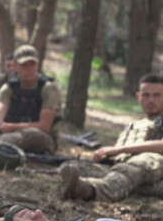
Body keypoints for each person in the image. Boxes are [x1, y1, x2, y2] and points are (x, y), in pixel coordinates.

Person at [59, 73, 163, 202]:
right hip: (123, 165)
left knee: (132, 168)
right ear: (138, 97)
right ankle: (145, 190)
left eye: (157, 95)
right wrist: (104, 156)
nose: (151, 100)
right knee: (80, 167)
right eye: (146, 95)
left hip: (152, 162)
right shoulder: (136, 123)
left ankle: (89, 190)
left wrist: (118, 149)